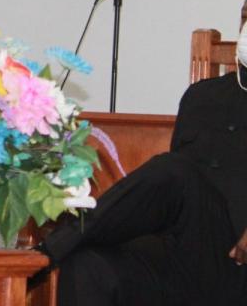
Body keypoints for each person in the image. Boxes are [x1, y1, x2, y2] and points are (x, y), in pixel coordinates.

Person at [41, 21, 247, 305]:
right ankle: (60, 248)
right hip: (190, 256)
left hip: (238, 267)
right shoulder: (202, 97)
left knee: (173, 170)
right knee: (89, 265)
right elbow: (173, 202)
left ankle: (44, 255)